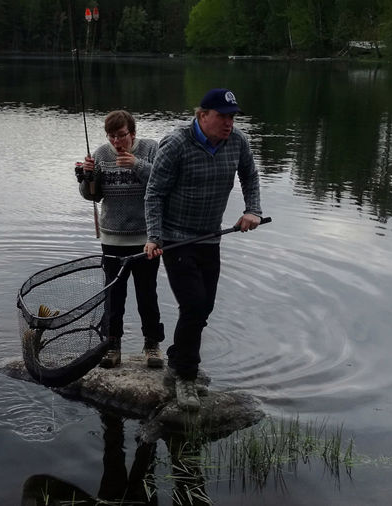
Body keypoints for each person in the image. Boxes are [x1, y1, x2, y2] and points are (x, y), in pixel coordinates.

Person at [143, 89, 262, 412]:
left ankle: (174, 360)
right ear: (202, 115)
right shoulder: (177, 143)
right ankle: (186, 377)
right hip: (176, 238)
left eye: (233, 116)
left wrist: (253, 209)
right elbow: (154, 193)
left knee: (204, 307)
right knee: (194, 304)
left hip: (210, 237)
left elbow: (250, 174)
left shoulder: (237, 141)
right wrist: (154, 236)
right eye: (222, 116)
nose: (229, 123)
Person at [79, 110, 165, 369]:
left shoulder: (150, 149)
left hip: (146, 238)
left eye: (122, 136)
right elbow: (92, 196)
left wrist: (136, 164)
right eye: (112, 136)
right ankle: (112, 344)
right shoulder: (101, 154)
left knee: (147, 293)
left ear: (133, 133)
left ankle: (152, 345)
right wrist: (87, 177)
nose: (117, 142)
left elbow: (163, 181)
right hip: (112, 236)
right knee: (114, 295)